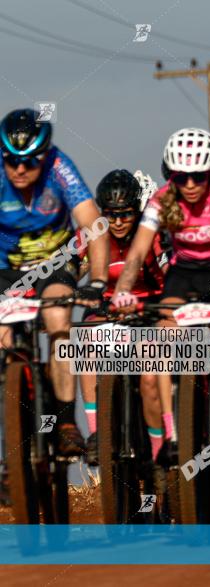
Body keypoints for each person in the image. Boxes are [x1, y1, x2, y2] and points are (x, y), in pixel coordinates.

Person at [112, 128, 210, 478]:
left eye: (199, 175)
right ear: (172, 176)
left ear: (209, 172)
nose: (191, 184)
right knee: (160, 350)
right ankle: (171, 436)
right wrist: (123, 289)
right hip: (183, 274)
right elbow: (137, 252)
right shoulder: (163, 200)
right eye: (182, 177)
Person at [0, 108, 110, 456]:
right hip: (6, 268)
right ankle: (11, 455)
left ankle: (64, 421)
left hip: (56, 264)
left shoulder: (60, 169)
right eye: (11, 161)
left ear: (44, 156)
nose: (19, 169)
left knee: (59, 318)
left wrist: (99, 279)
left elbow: (94, 225)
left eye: (29, 161)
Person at [79, 169, 167, 466]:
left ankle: (160, 451)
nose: (117, 222)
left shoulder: (151, 235)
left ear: (137, 211)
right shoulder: (93, 233)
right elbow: (70, 269)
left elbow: (170, 275)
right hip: (106, 311)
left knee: (150, 370)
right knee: (84, 346)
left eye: (125, 214)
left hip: (147, 310)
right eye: (111, 214)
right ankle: (96, 434)